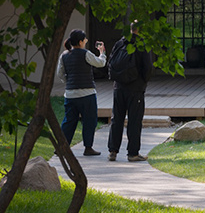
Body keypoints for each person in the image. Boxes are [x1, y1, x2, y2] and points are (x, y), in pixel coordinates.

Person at [107, 21, 153, 162]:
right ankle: (132, 153)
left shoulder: (120, 43)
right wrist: (143, 81)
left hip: (118, 87)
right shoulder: (142, 45)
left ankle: (112, 151)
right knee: (134, 121)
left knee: (117, 119)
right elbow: (148, 67)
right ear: (141, 30)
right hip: (136, 89)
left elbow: (111, 62)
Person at [56, 29, 106, 156]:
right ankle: (88, 148)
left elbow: (60, 73)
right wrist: (102, 53)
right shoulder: (85, 53)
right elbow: (100, 63)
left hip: (70, 94)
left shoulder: (64, 55)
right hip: (87, 94)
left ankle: (62, 147)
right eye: (85, 40)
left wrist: (69, 81)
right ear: (80, 41)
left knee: (68, 121)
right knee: (89, 121)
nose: (86, 41)